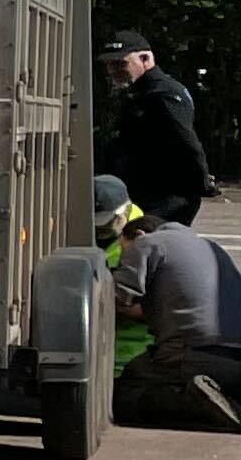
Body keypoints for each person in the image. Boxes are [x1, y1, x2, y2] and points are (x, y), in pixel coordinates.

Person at [103, 174, 241, 432]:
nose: (124, 257)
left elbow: (116, 298)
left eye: (123, 251)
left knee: (124, 391)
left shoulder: (145, 243)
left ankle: (190, 402)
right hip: (236, 358)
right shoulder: (211, 248)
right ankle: (226, 400)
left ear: (140, 234)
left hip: (191, 354)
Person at [97, 30, 211, 231]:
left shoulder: (163, 93)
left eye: (120, 64)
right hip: (148, 193)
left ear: (145, 59)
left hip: (167, 197)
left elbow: (186, 140)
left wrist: (202, 183)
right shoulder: (140, 92)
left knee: (149, 248)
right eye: (109, 65)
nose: (112, 70)